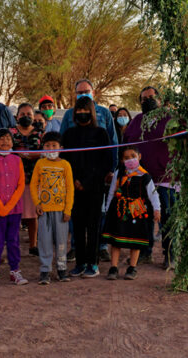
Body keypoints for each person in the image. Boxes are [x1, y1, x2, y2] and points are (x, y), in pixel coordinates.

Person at [123, 86, 176, 268]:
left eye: (152, 97)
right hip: (141, 180)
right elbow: (126, 142)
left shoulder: (170, 119)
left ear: (160, 99)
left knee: (166, 218)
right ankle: (144, 252)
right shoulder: (137, 120)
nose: (148, 101)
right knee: (142, 218)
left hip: (165, 179)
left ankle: (170, 255)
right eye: (144, 99)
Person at [61, 96, 113, 278]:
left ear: (91, 112)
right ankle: (80, 263)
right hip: (73, 187)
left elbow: (105, 161)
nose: (82, 114)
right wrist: (74, 180)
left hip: (95, 187)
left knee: (93, 225)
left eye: (85, 111)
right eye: (79, 111)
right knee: (77, 226)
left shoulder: (101, 134)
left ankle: (93, 263)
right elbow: (65, 160)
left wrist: (89, 182)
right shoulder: (69, 134)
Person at [102, 147, 161, 280]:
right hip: (119, 209)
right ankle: (113, 267)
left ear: (139, 156)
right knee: (115, 239)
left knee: (136, 240)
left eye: (133, 156)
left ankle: (132, 267)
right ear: (122, 160)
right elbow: (112, 191)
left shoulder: (144, 175)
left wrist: (157, 209)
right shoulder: (119, 173)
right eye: (126, 158)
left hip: (137, 211)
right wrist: (107, 208)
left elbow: (153, 194)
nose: (130, 160)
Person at [0, 129, 29, 288]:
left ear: (12, 142)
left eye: (8, 139)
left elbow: (21, 185)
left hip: (14, 210)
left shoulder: (17, 160)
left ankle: (15, 271)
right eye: (1, 139)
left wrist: (8, 206)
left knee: (13, 241)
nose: (5, 142)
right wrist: (1, 208)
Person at [31, 132, 74, 284]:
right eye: (47, 145)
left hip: (61, 211)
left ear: (60, 148)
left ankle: (62, 269)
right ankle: (45, 271)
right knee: (44, 241)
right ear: (43, 148)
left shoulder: (65, 165)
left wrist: (68, 209)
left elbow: (70, 188)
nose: (51, 148)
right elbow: (34, 184)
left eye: (54, 146)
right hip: (44, 211)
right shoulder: (40, 164)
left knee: (61, 241)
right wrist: (37, 203)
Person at [59, 79, 118, 171]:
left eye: (86, 92)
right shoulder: (69, 114)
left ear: (93, 93)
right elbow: (61, 141)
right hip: (73, 167)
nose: (83, 94)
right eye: (80, 92)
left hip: (98, 168)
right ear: (75, 94)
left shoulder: (105, 112)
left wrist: (112, 169)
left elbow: (113, 141)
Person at [11, 102, 43, 255]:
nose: (26, 117)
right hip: (13, 180)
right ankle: (14, 245)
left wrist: (33, 155)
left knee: (32, 215)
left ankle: (33, 245)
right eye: (22, 114)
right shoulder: (9, 132)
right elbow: (3, 149)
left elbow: (46, 152)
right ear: (17, 116)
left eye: (29, 114)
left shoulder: (39, 133)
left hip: (33, 179)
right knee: (14, 215)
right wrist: (17, 154)